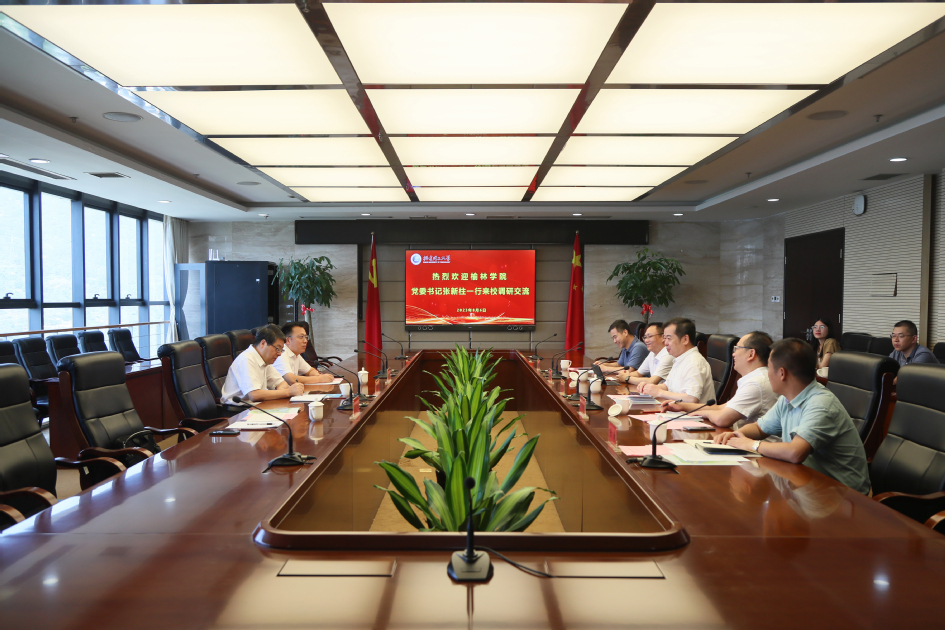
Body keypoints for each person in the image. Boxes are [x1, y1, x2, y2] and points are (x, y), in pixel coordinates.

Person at [713, 338, 870, 495]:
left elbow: (795, 452)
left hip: (845, 497)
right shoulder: (787, 398)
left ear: (782, 373)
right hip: (808, 485)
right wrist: (737, 435)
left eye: (769, 368)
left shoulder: (820, 404)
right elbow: (760, 428)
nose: (767, 373)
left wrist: (750, 444)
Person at [661, 331, 777, 430]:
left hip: (756, 447)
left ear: (751, 354)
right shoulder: (756, 378)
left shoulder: (756, 383)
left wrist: (702, 413)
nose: (733, 354)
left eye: (737, 348)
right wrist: (682, 406)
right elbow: (721, 408)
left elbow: (722, 419)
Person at [221, 325, 304, 404]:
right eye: (277, 349)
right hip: (238, 410)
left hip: (257, 406)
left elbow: (281, 383)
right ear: (263, 343)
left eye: (281, 350)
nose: (279, 354)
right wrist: (287, 392)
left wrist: (282, 391)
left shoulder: (264, 360)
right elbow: (254, 395)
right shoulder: (247, 359)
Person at [639, 317, 714, 403]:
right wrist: (649, 387)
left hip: (692, 411)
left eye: (669, 338)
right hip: (675, 408)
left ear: (685, 339)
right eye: (665, 338)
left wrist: (659, 392)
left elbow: (691, 398)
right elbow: (668, 386)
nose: (665, 343)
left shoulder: (694, 362)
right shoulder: (679, 358)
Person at [622, 322, 674, 386]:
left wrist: (627, 378)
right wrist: (624, 375)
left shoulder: (668, 355)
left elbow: (652, 381)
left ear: (663, 337)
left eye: (650, 336)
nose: (646, 340)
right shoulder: (652, 353)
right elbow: (638, 373)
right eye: (645, 337)